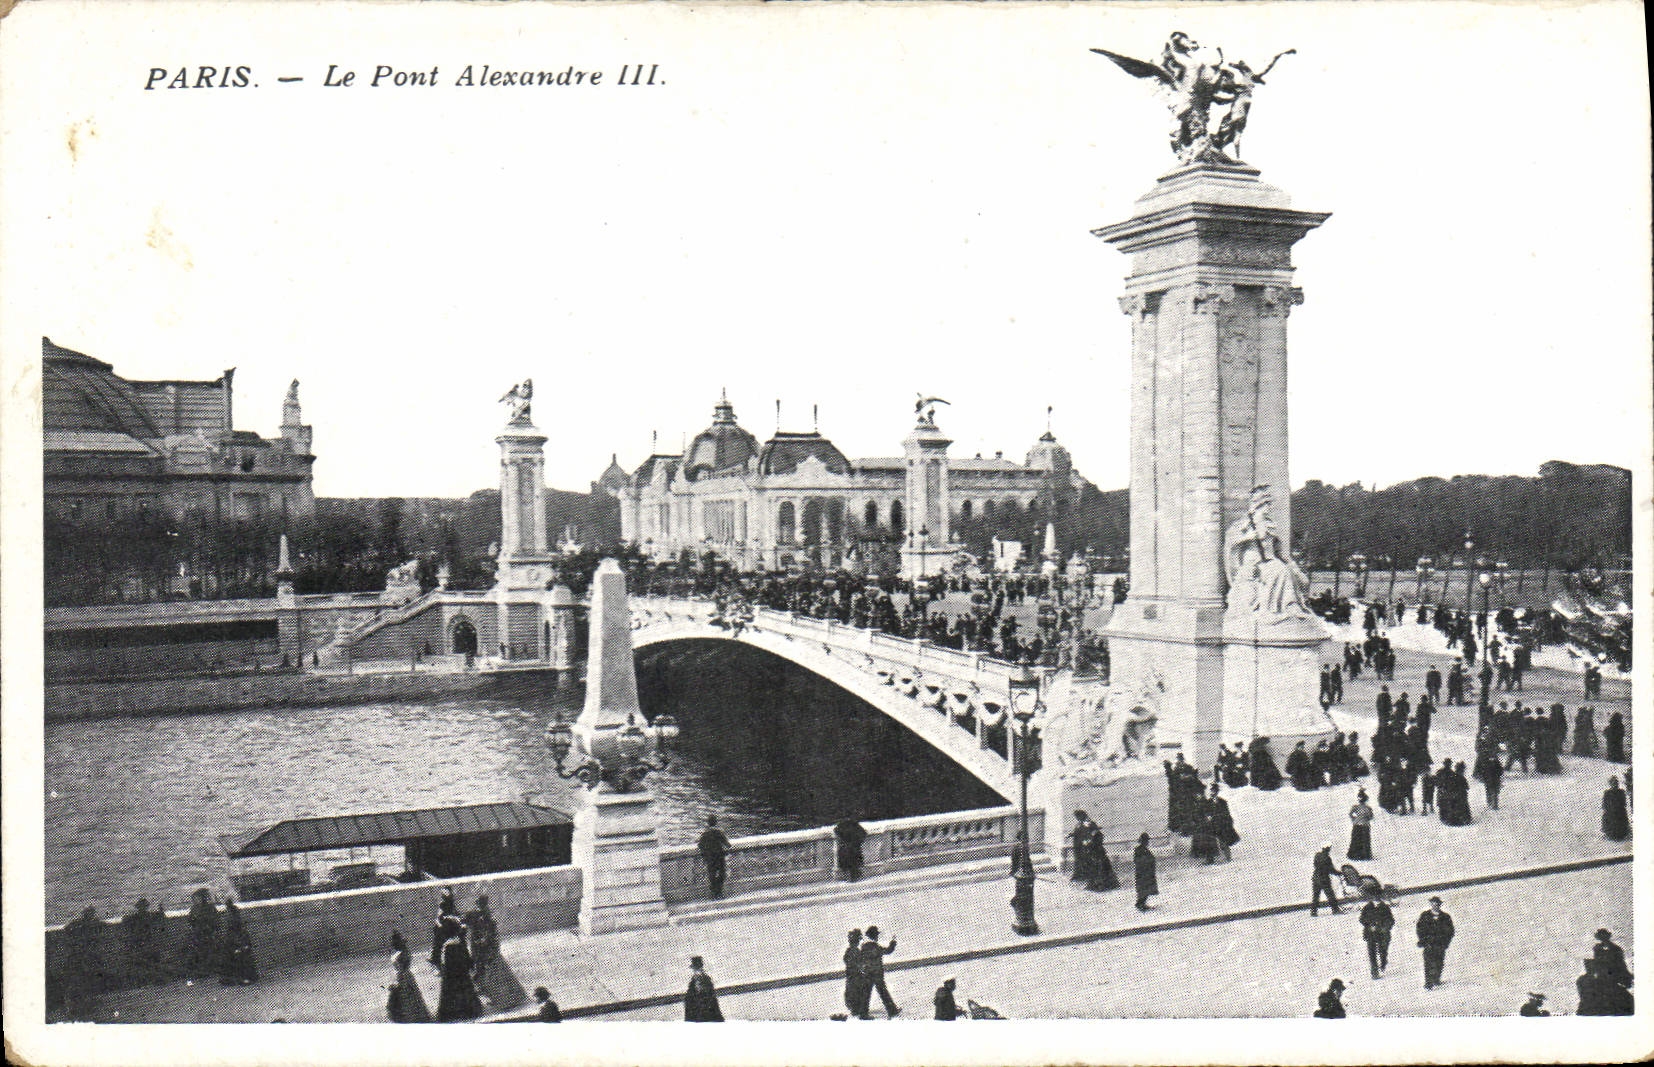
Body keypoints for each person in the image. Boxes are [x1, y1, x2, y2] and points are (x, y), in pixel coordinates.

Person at [436, 915, 483, 1021]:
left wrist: (443, 971)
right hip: (463, 973)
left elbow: (446, 963)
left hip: (452, 975)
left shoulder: (448, 946)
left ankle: (456, 1012)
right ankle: (469, 1010)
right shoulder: (459, 942)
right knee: (466, 991)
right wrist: (470, 967)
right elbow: (467, 957)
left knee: (453, 993)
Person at [120, 898, 165, 986]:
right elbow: (160, 916)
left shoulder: (136, 917)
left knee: (144, 961)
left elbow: (124, 920)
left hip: (140, 941)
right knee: (149, 960)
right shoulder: (148, 916)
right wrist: (160, 909)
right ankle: (152, 979)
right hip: (145, 941)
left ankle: (145, 980)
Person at [857, 925, 900, 1017]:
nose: (877, 937)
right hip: (877, 974)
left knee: (866, 994)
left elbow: (860, 960)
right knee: (883, 993)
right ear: (875, 936)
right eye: (876, 935)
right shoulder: (875, 947)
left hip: (867, 974)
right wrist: (893, 942)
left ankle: (863, 1013)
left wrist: (863, 970)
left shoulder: (864, 947)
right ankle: (892, 1011)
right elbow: (888, 950)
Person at [1416, 896, 1455, 990]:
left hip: (1440, 944)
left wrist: (1445, 942)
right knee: (1428, 963)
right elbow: (1419, 928)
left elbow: (1450, 931)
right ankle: (1428, 983)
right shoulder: (1425, 915)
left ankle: (1436, 978)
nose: (1435, 906)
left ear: (1440, 905)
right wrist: (1423, 940)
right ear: (1431, 904)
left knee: (1439, 962)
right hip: (1428, 943)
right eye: (1433, 903)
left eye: (1437, 904)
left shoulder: (1445, 917)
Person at [217, 898, 258, 985]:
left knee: (240, 958)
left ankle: (243, 977)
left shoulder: (232, 917)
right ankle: (232, 978)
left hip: (238, 941)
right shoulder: (233, 915)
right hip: (235, 941)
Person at [387, 949, 433, 1023]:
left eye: (396, 965)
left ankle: (410, 1017)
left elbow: (403, 987)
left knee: (407, 1008)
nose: (395, 967)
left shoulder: (402, 974)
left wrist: (394, 988)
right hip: (411, 995)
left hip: (406, 997)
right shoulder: (408, 973)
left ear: (400, 964)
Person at [186, 887, 221, 978]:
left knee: (208, 951)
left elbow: (215, 920)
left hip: (208, 933)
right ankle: (201, 971)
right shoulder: (194, 909)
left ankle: (208, 970)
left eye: (197, 898)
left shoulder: (210, 908)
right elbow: (190, 920)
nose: (195, 901)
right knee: (198, 952)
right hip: (198, 933)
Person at [464, 895, 499, 983]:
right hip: (477, 939)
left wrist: (485, 939)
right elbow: (466, 921)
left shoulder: (487, 915)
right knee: (477, 957)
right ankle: (479, 974)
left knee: (481, 958)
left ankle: (480, 976)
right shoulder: (475, 913)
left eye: (480, 904)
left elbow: (491, 930)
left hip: (483, 940)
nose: (479, 906)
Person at [1359, 895, 1394, 979]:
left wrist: (1382, 927)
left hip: (1382, 934)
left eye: (1377, 898)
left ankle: (1383, 963)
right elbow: (1362, 919)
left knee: (1383, 951)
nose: (1375, 900)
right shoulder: (1367, 908)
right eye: (1373, 898)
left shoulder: (1385, 908)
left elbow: (1391, 920)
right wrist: (1370, 925)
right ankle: (1374, 972)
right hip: (1371, 934)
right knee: (1372, 953)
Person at [698, 815, 733, 899]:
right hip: (720, 857)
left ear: (708, 823)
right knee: (722, 874)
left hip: (710, 858)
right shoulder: (719, 832)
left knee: (712, 875)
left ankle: (714, 892)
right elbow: (727, 844)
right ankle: (719, 891)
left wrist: (705, 853)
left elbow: (700, 845)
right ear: (716, 822)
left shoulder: (705, 833)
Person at [684, 956, 724, 1021]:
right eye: (695, 969)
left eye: (697, 969)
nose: (696, 971)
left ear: (701, 968)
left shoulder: (706, 980)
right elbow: (690, 997)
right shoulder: (693, 981)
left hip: (707, 1013)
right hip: (697, 1014)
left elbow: (710, 998)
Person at [842, 929, 871, 1019]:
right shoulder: (855, 951)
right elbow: (860, 963)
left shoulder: (849, 951)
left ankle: (855, 1009)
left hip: (851, 976)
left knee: (852, 992)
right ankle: (860, 1012)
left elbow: (847, 961)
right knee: (859, 992)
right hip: (856, 976)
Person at [1208, 784, 1240, 861]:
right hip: (1212, 823)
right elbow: (1206, 812)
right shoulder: (1208, 802)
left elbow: (1226, 813)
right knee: (1210, 841)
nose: (1213, 793)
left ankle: (1228, 857)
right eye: (1212, 791)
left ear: (1217, 792)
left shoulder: (1223, 802)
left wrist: (1229, 821)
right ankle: (1210, 859)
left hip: (1222, 823)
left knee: (1224, 840)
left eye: (1215, 791)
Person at [430, 887, 459, 968]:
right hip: (446, 926)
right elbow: (439, 917)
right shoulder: (444, 904)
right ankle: (436, 959)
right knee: (438, 939)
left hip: (449, 927)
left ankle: (437, 959)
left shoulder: (449, 904)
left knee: (439, 939)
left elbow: (454, 914)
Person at [1311, 843, 1342, 916]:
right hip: (1324, 879)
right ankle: (1335, 909)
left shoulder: (1317, 855)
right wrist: (1339, 873)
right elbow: (1331, 870)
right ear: (1327, 849)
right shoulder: (1327, 858)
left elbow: (1315, 865)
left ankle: (1313, 911)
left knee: (1316, 896)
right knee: (1330, 895)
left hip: (1315, 878)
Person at [1069, 811, 1096, 885]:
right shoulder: (1079, 824)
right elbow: (1077, 833)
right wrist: (1071, 835)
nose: (1077, 819)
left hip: (1084, 846)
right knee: (1078, 860)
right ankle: (1078, 875)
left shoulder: (1087, 823)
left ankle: (1086, 875)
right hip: (1077, 846)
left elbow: (1091, 833)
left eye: (1078, 817)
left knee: (1085, 860)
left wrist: (1087, 841)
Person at [1347, 790, 1375, 861]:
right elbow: (1371, 816)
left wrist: (1354, 819)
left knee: (1356, 840)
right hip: (1365, 825)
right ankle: (1365, 855)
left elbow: (1350, 814)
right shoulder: (1368, 808)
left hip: (1356, 825)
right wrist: (1366, 819)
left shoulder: (1355, 807)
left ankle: (1354, 855)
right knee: (1364, 840)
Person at [1133, 832, 1158, 911]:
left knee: (1146, 889)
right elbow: (1139, 861)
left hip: (1146, 873)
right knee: (1143, 889)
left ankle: (1142, 903)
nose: (1147, 842)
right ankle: (1140, 904)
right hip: (1143, 873)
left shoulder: (1144, 849)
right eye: (1146, 841)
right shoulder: (1139, 850)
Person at [1602, 776, 1631, 841]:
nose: (1615, 785)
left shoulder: (1621, 792)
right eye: (1613, 783)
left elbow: (1623, 803)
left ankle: (1620, 833)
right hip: (1611, 813)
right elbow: (1604, 805)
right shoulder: (1607, 793)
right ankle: (1610, 833)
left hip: (1619, 812)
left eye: (1616, 783)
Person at [1475, 745, 1503, 810]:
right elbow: (1500, 769)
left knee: (1489, 790)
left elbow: (1480, 769)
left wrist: (1481, 776)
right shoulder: (1495, 760)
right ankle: (1494, 804)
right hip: (1493, 778)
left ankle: (1490, 802)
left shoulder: (1484, 759)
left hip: (1488, 778)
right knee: (1494, 791)